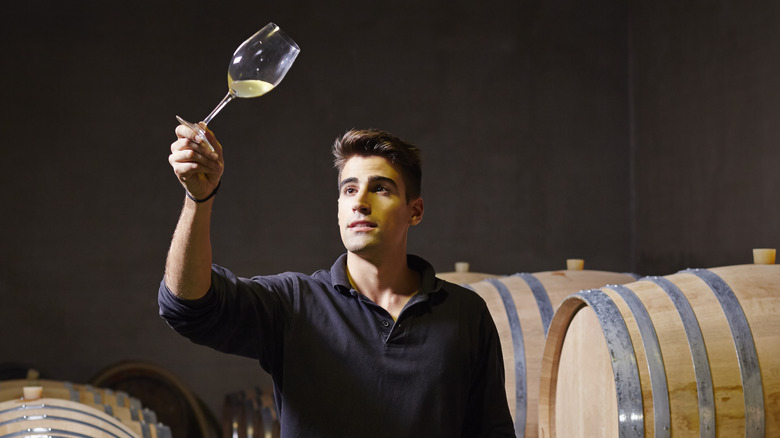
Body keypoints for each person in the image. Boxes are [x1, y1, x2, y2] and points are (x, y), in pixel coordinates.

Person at [159, 124, 515, 437]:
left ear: (415, 211)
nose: (360, 201)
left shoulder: (466, 314)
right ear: (339, 210)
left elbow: (491, 432)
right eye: (349, 190)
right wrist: (198, 199)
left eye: (381, 189)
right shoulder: (295, 304)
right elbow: (188, 305)